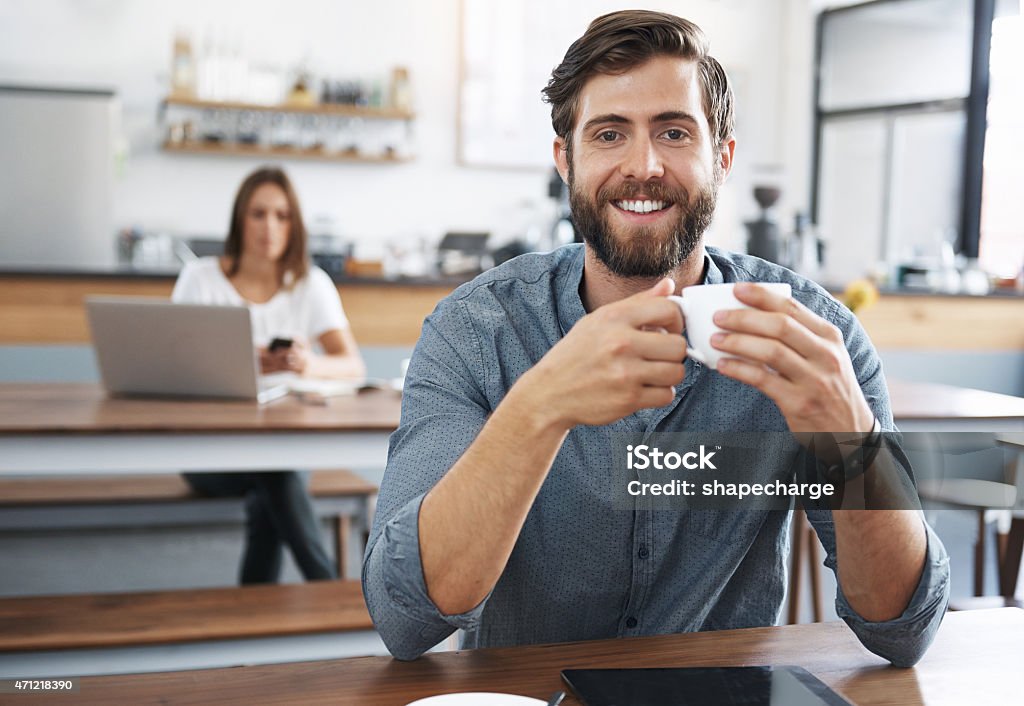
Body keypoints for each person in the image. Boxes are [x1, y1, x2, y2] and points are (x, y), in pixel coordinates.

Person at [363, 11, 949, 663]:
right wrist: (538, 409)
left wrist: (850, 438)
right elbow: (404, 618)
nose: (643, 166)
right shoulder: (476, 331)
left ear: (721, 157)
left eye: (674, 131)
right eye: (610, 134)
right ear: (567, 159)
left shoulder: (817, 334)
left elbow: (903, 629)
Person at [173, 166, 366, 584]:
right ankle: (330, 587)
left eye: (282, 215)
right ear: (239, 220)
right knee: (275, 473)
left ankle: (256, 623)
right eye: (258, 214)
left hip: (284, 451)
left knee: (271, 485)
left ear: (294, 225)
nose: (269, 227)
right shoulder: (200, 279)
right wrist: (242, 362)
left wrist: (307, 363)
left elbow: (352, 365)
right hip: (207, 454)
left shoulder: (310, 284)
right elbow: (174, 369)